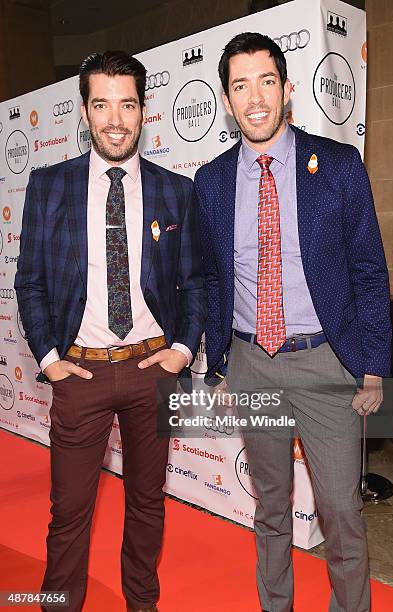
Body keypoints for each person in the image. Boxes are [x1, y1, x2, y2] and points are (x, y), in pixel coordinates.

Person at [194, 32, 391, 612]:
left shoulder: (337, 166)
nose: (254, 97)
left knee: (341, 510)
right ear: (228, 101)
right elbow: (209, 277)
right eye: (239, 85)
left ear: (287, 90)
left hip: (327, 362)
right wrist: (220, 365)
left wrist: (374, 365)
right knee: (271, 507)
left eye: (265, 81)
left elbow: (369, 271)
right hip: (252, 362)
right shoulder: (210, 182)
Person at [15, 50, 206, 612]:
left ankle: (141, 604)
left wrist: (180, 350)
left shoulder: (177, 190)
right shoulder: (49, 185)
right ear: (84, 111)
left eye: (127, 104)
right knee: (69, 510)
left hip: (154, 372)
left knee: (148, 504)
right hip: (81, 374)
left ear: (145, 111)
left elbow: (195, 282)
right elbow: (30, 281)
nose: (115, 119)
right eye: (102, 105)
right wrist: (49, 356)